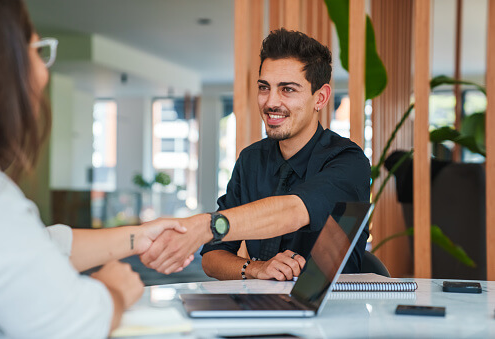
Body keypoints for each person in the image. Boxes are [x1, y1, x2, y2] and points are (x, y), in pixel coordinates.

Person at [0, 1, 191, 337]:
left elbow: (37, 247)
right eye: (36, 51)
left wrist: (140, 235)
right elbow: (74, 324)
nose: (43, 72)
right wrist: (112, 290)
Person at [140, 29, 370, 281]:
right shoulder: (251, 160)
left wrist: (206, 226)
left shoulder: (348, 161)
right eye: (264, 87)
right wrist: (255, 268)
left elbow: (293, 211)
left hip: (335, 314)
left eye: (288, 90)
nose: (271, 102)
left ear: (321, 97)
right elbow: (212, 257)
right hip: (263, 311)